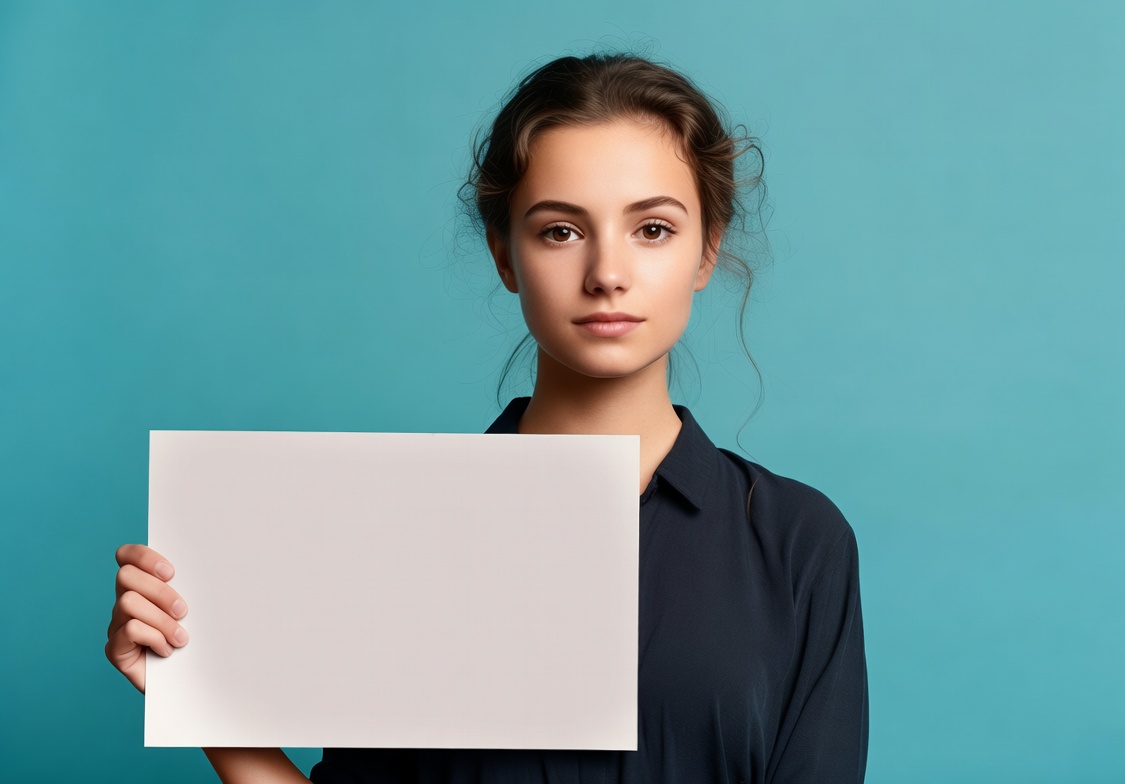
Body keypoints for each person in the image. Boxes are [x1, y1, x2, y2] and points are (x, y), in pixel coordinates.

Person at [106, 52, 868, 783]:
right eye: (560, 230)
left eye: (653, 228)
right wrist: (197, 695)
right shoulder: (405, 535)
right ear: (506, 256)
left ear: (707, 252)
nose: (607, 273)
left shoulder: (799, 542)